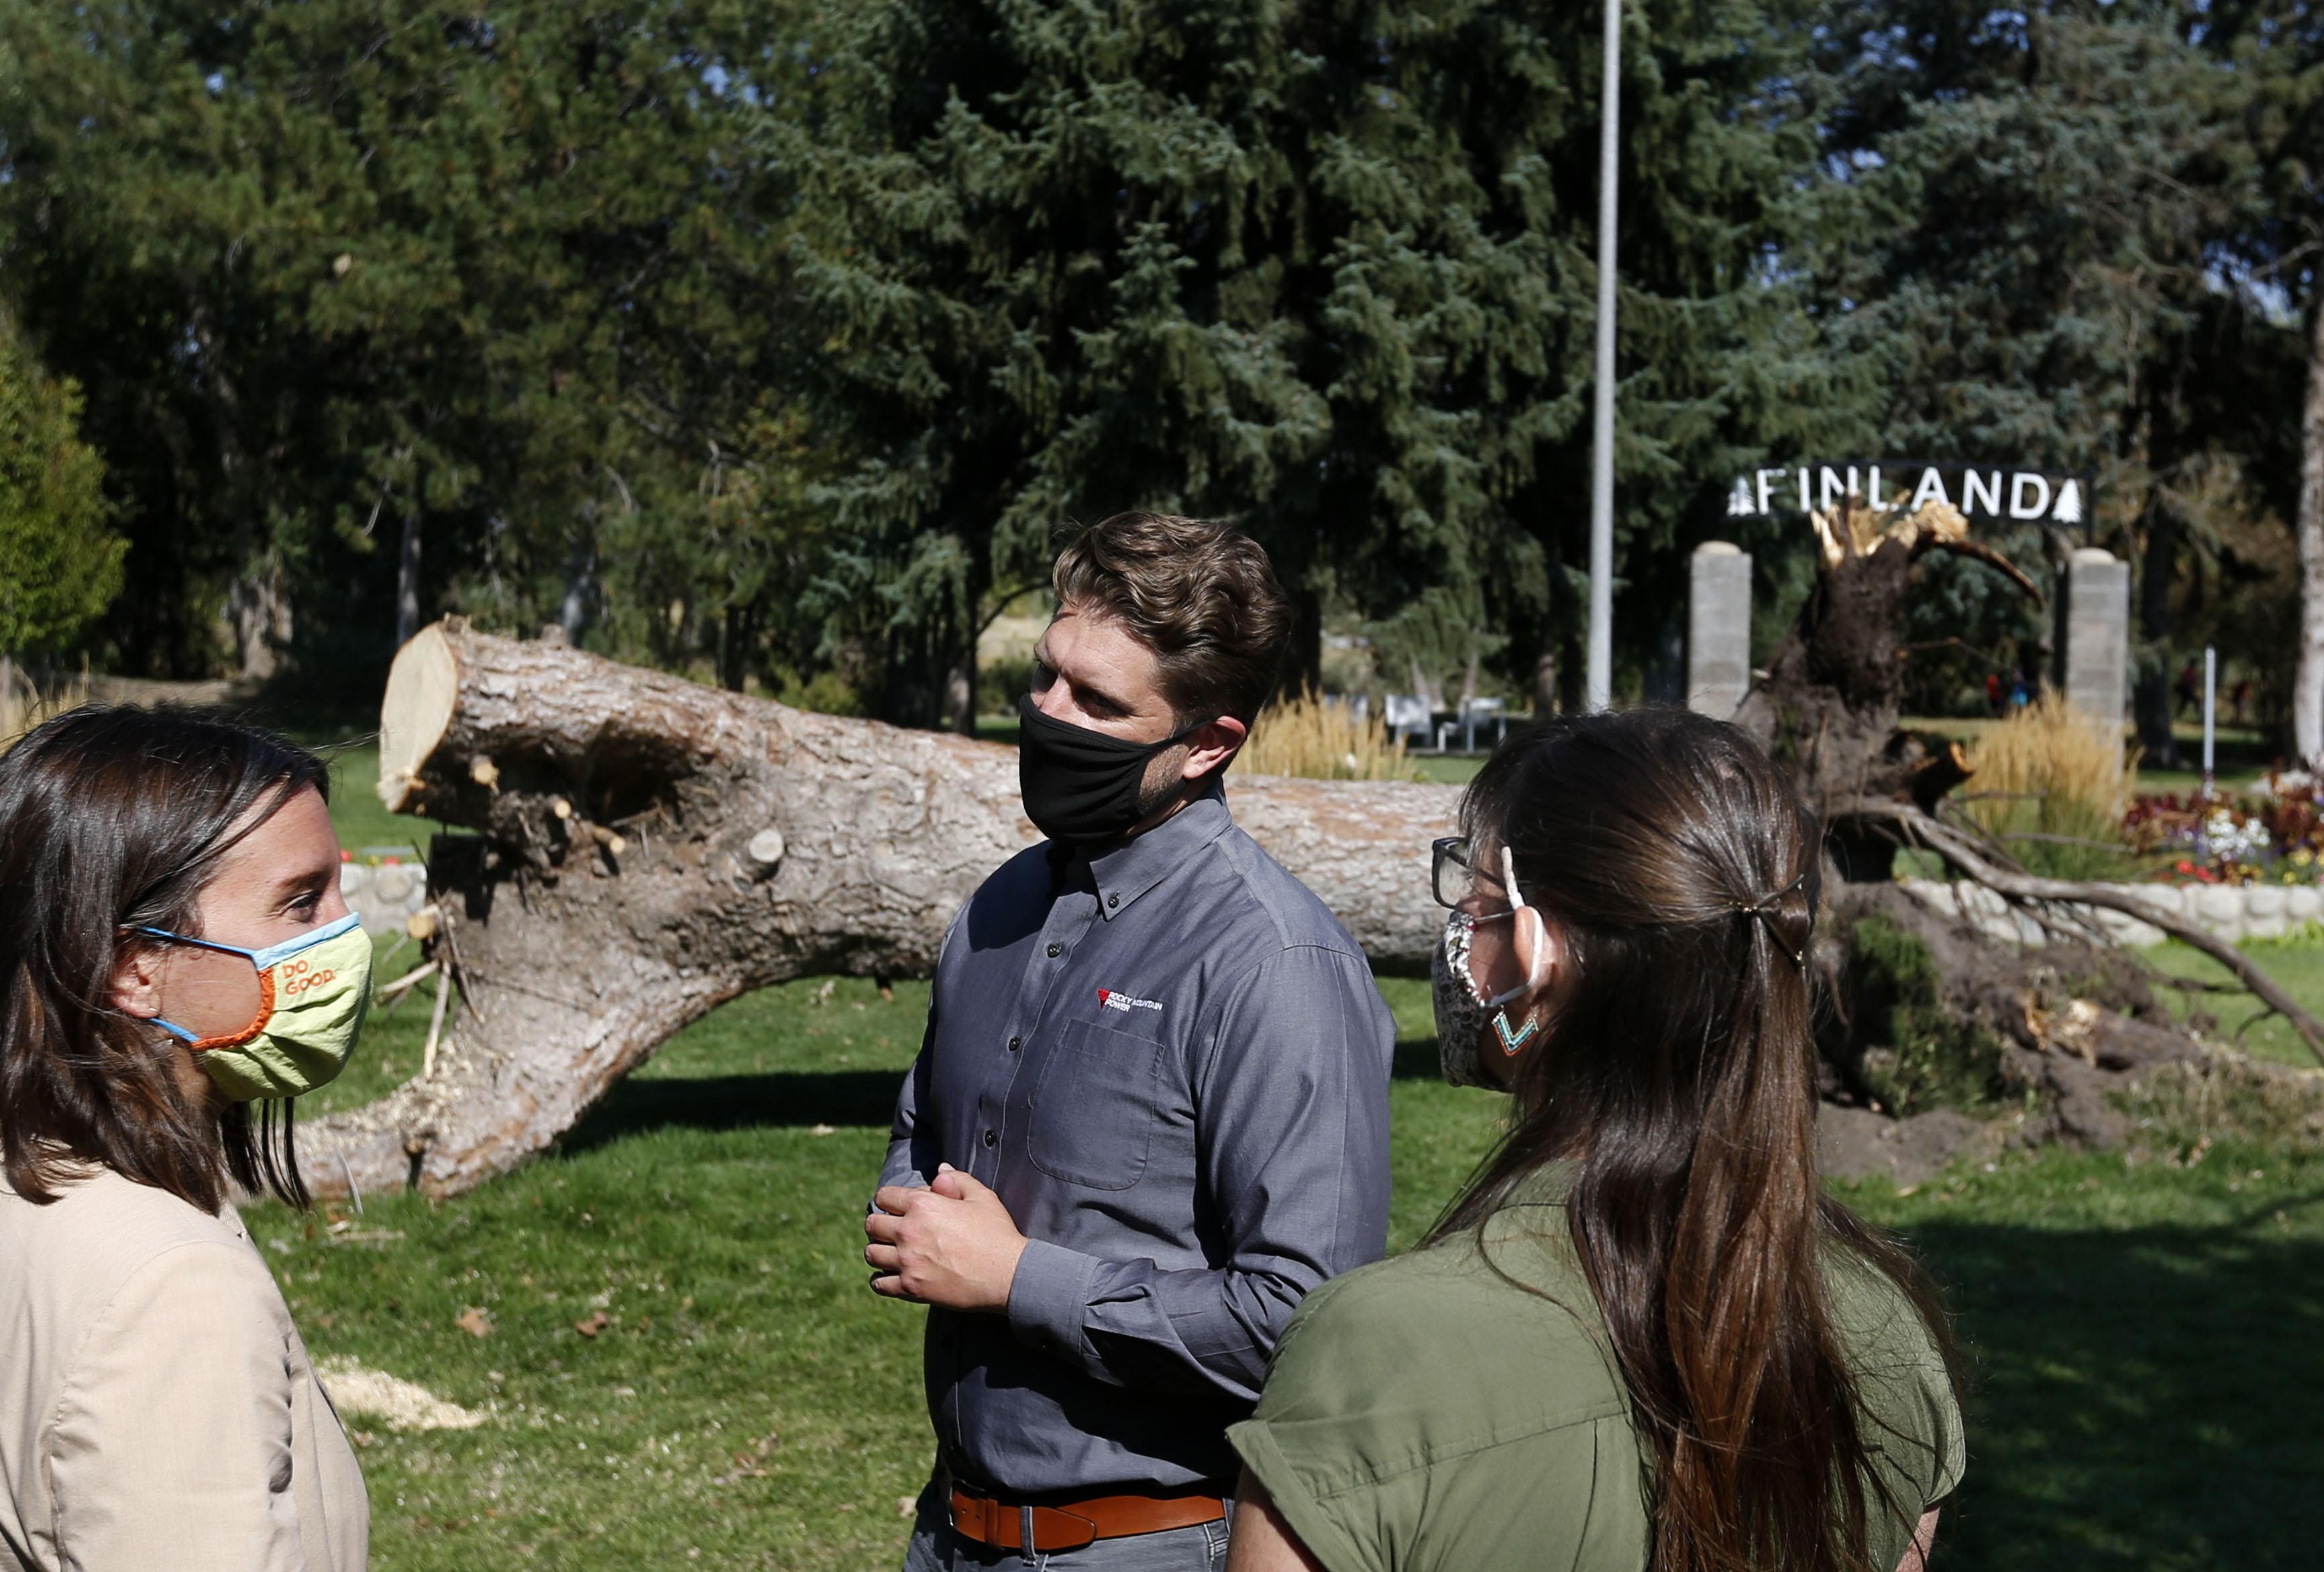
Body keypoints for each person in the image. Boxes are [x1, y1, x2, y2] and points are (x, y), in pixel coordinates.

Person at [1226, 710, 1964, 1572]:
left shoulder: (1373, 1353)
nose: (1461, 923)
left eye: (1479, 895)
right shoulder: (1884, 1328)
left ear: (1539, 953)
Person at [866, 513, 1396, 1570]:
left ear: (1208, 744)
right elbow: (927, 1124)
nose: (1048, 715)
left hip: (1148, 1545)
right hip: (949, 1532)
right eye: (1048, 675)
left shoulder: (1274, 968)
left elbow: (1305, 1327)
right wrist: (915, 1207)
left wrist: (1020, 1279)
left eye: (1099, 704)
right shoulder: (1001, 902)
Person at [0, 707, 372, 1572]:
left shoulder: (31, 1178)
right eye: (300, 900)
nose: (347, 934)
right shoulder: (169, 1291)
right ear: (134, 967)